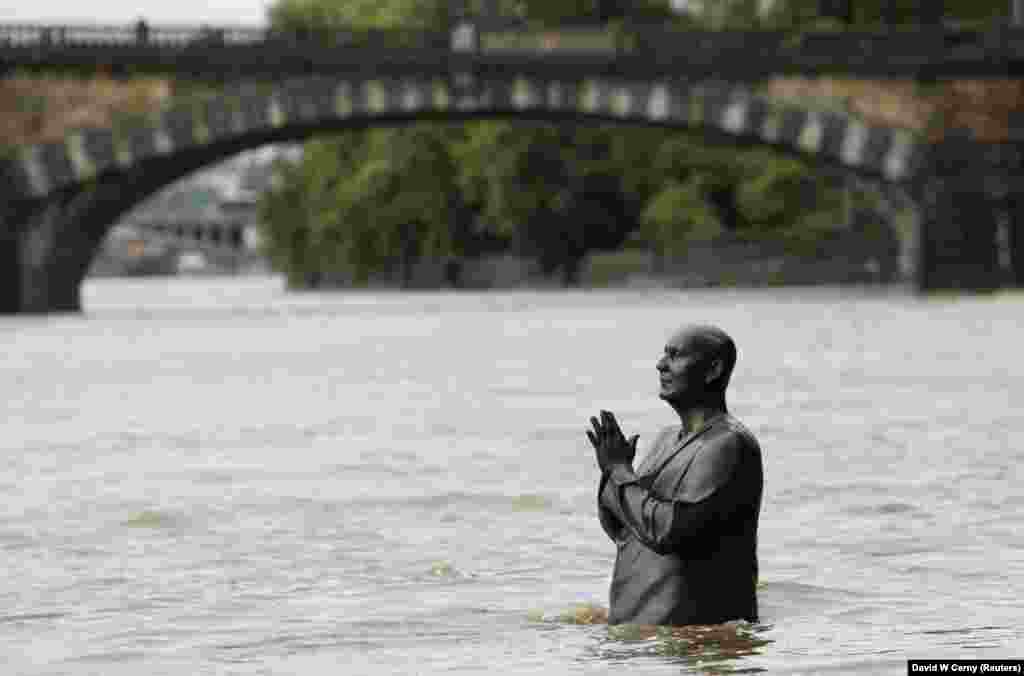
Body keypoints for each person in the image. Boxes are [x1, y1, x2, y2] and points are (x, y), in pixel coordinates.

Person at [587, 324, 763, 626]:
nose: (660, 364)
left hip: (696, 642)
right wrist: (611, 473)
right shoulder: (666, 439)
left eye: (675, 355)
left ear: (713, 370)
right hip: (645, 640)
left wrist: (619, 472)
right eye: (663, 354)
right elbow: (625, 530)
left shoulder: (726, 444)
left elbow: (669, 531)